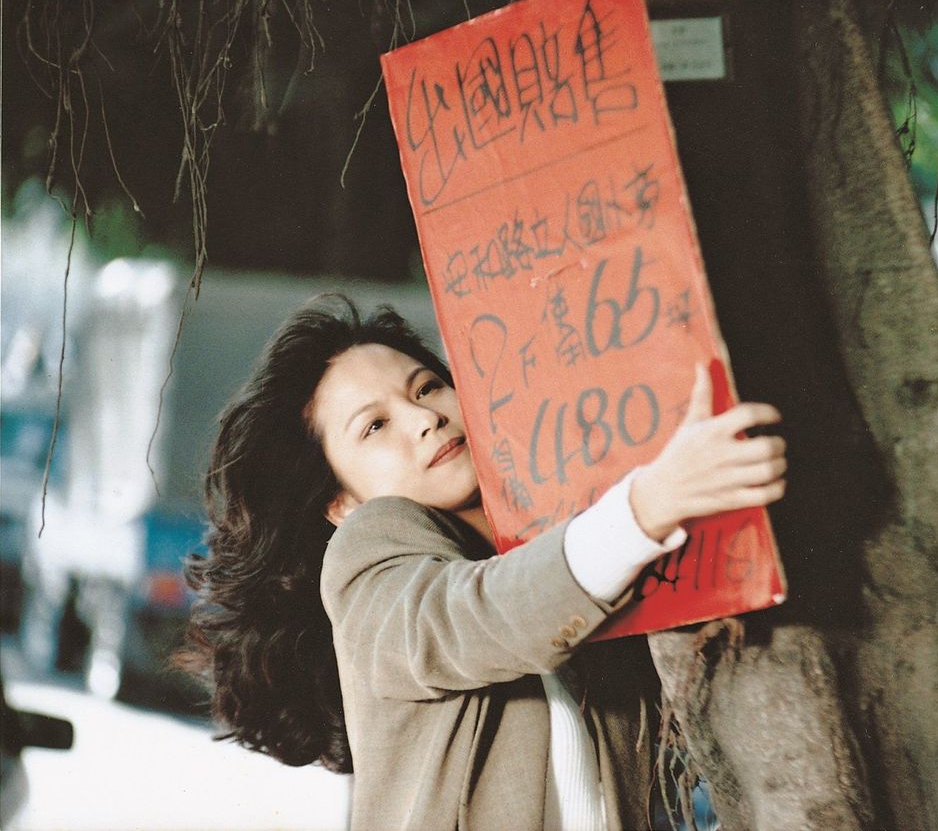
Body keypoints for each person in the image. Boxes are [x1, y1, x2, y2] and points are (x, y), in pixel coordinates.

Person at [179, 294, 788, 830]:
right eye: (375, 426)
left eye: (427, 387)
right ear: (341, 501)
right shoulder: (366, 560)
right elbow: (473, 616)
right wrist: (647, 506)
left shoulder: (561, 546)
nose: (425, 418)